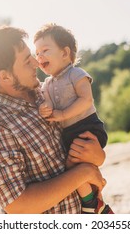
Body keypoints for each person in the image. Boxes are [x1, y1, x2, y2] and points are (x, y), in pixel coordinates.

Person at [0, 25, 107, 214]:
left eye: (32, 55)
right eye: (27, 61)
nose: (36, 62)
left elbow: (87, 148)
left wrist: (97, 155)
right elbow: (19, 206)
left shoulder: (48, 93)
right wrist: (84, 173)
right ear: (5, 77)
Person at [34, 23, 114, 214]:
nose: (39, 57)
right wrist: (46, 110)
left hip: (87, 127)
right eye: (36, 53)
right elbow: (48, 105)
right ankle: (93, 202)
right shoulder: (46, 84)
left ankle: (90, 202)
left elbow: (86, 100)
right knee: (73, 169)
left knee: (74, 166)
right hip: (69, 132)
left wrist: (61, 115)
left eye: (45, 50)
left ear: (65, 53)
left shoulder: (76, 74)